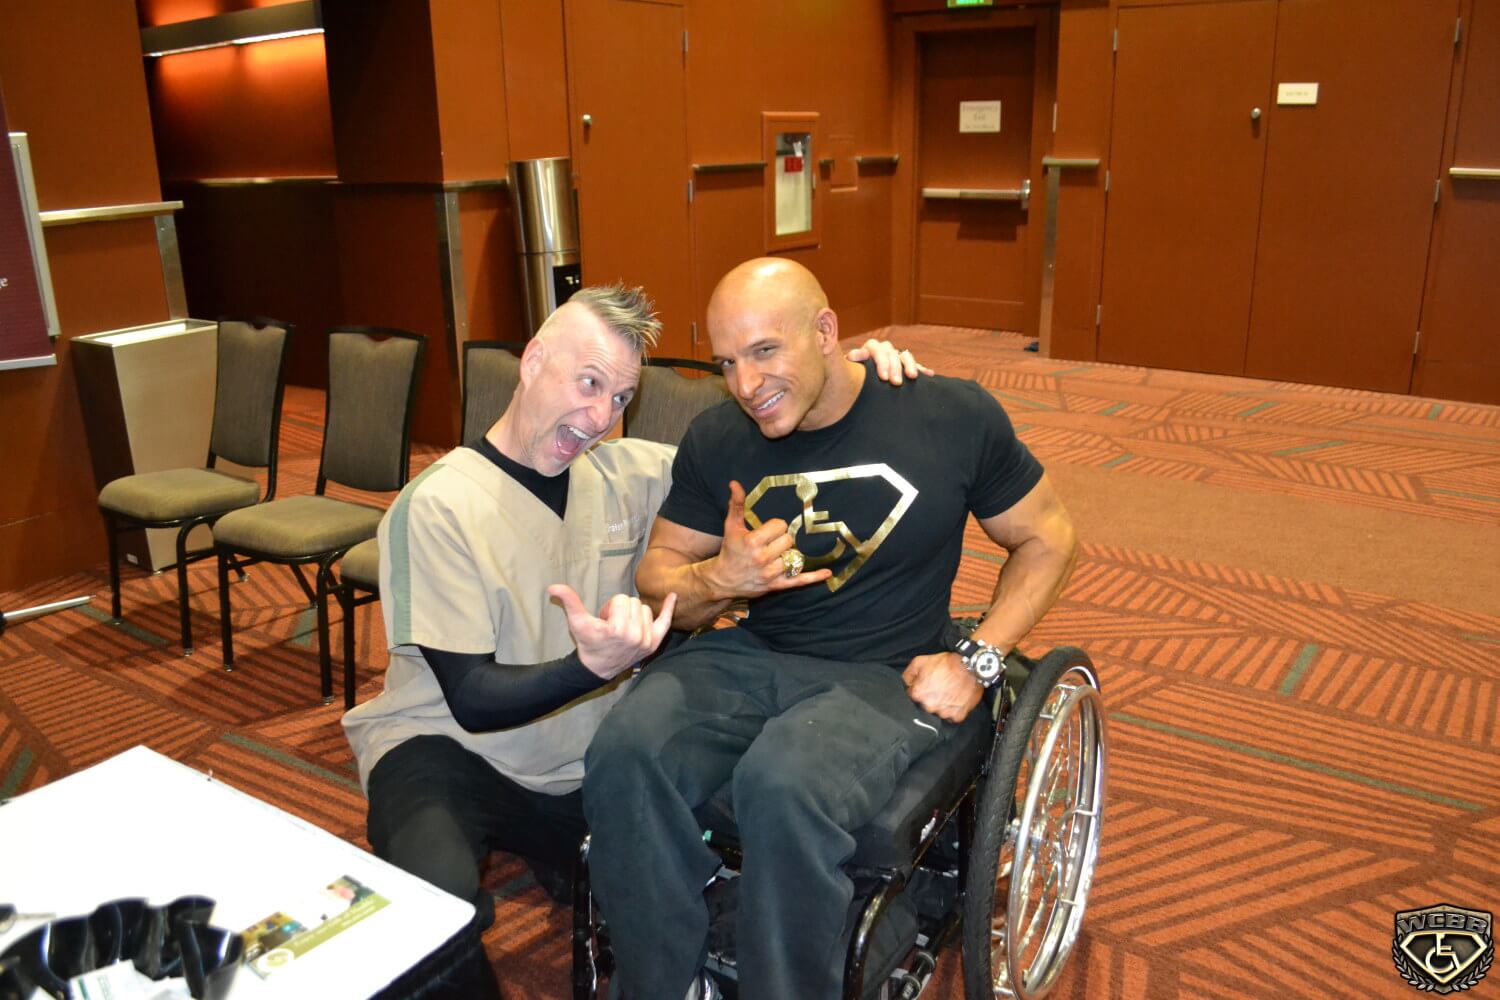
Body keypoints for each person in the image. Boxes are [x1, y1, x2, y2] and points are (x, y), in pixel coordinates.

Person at [340, 282, 929, 931]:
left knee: (689, 891)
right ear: (533, 361)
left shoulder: (631, 475)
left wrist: (843, 383)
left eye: (620, 398)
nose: (600, 417)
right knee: (436, 910)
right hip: (447, 751)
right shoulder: (438, 506)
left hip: (578, 764)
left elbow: (776, 458)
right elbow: (472, 699)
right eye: (588, 383)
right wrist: (589, 668)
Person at [582, 259, 1079, 1000]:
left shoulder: (948, 415)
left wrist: (979, 658)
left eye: (764, 351)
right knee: (623, 750)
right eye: (727, 363)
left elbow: (1049, 537)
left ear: (824, 332)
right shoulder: (718, 438)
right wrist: (721, 579)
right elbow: (659, 573)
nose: (746, 384)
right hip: (754, 652)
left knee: (783, 784)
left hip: (890, 671)